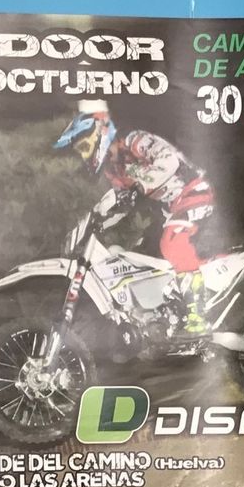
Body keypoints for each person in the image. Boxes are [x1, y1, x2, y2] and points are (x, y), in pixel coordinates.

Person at [54, 99, 218, 332]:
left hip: (194, 192)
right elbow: (122, 203)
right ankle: (167, 318)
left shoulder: (134, 141)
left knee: (172, 242)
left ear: (98, 131)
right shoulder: (113, 169)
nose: (83, 155)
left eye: (83, 146)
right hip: (170, 208)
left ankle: (198, 314)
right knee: (140, 259)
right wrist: (95, 221)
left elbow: (169, 161)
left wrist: (140, 184)